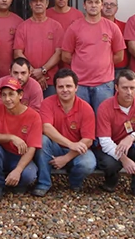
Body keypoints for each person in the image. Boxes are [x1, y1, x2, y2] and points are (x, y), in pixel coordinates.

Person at [32, 68, 96, 197]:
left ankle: (75, 182)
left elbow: (88, 140)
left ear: (76, 87)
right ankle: (43, 183)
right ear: (55, 88)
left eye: (69, 86)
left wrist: (66, 158)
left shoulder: (85, 108)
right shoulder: (47, 103)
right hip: (54, 147)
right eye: (61, 86)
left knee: (88, 163)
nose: (65, 90)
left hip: (76, 150)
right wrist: (69, 143)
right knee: (42, 140)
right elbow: (46, 127)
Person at [62, 0, 125, 112]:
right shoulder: (74, 28)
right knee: (81, 119)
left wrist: (103, 62)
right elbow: (65, 56)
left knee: (103, 120)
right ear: (84, 5)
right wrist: (82, 63)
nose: (93, 5)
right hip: (80, 84)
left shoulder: (112, 27)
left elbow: (119, 55)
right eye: (90, 2)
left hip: (105, 84)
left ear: (101, 5)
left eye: (97, 2)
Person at [95, 70, 135, 199]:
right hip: (112, 147)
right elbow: (104, 142)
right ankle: (111, 180)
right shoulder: (105, 107)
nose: (129, 92)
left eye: (132, 88)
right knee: (109, 163)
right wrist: (124, 159)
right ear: (116, 87)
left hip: (132, 144)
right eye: (125, 88)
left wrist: (131, 137)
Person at [0, 78, 42, 200]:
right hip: (2, 153)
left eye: (11, 94)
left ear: (20, 95)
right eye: (4, 95)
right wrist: (11, 137)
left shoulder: (33, 116)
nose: (7, 99)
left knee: (29, 175)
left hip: (20, 156)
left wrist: (18, 170)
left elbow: (32, 148)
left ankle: (17, 183)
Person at [14, 0, 64, 97]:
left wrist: (43, 70)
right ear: (30, 4)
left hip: (50, 81)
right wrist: (34, 72)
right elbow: (18, 53)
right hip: (28, 80)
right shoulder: (23, 27)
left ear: (47, 3)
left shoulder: (56, 26)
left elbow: (59, 53)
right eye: (34, 1)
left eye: (41, 0)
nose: (38, 3)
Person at [102, 0, 129, 75]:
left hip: (121, 69)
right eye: (105, 4)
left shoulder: (125, 26)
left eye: (112, 4)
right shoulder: (94, 27)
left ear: (116, 9)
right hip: (101, 69)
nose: (108, 7)